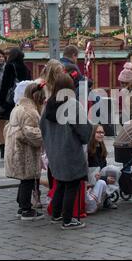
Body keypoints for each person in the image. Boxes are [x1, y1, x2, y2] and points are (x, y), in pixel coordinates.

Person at [40, 73, 92, 230]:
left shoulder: (48, 105)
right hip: (70, 151)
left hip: (54, 152)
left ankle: (56, 214)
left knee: (60, 183)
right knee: (71, 185)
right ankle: (68, 220)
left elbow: (42, 127)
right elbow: (84, 130)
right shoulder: (72, 105)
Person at [4, 82, 46, 221]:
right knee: (28, 179)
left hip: (16, 149)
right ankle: (26, 209)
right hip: (24, 152)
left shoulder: (19, 107)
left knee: (24, 179)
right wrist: (44, 136)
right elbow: (31, 133)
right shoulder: (30, 112)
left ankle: (22, 206)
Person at [87, 124, 117, 210]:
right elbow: (91, 171)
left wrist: (107, 176)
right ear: (93, 133)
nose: (101, 134)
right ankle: (102, 198)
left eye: (102, 132)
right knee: (104, 180)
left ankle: (107, 198)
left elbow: (104, 165)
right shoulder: (88, 149)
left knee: (113, 170)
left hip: (98, 173)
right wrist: (105, 178)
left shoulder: (101, 146)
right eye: (98, 132)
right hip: (91, 176)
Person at [0, 47, 32, 120]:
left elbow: (5, 84)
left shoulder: (9, 66)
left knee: (12, 122)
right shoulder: (26, 68)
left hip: (11, 100)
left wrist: (1, 101)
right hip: (23, 99)